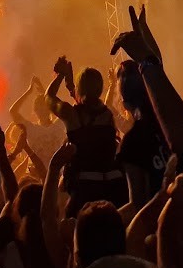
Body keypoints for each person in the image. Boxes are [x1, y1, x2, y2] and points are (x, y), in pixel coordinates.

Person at [47, 58, 125, 215]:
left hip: (85, 189)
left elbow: (48, 97)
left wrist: (60, 76)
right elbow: (88, 107)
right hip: (115, 187)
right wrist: (71, 85)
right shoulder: (107, 114)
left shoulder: (71, 114)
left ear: (80, 88)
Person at [113, 61, 169, 210]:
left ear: (125, 104)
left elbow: (137, 203)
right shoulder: (170, 121)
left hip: (159, 223)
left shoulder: (132, 143)